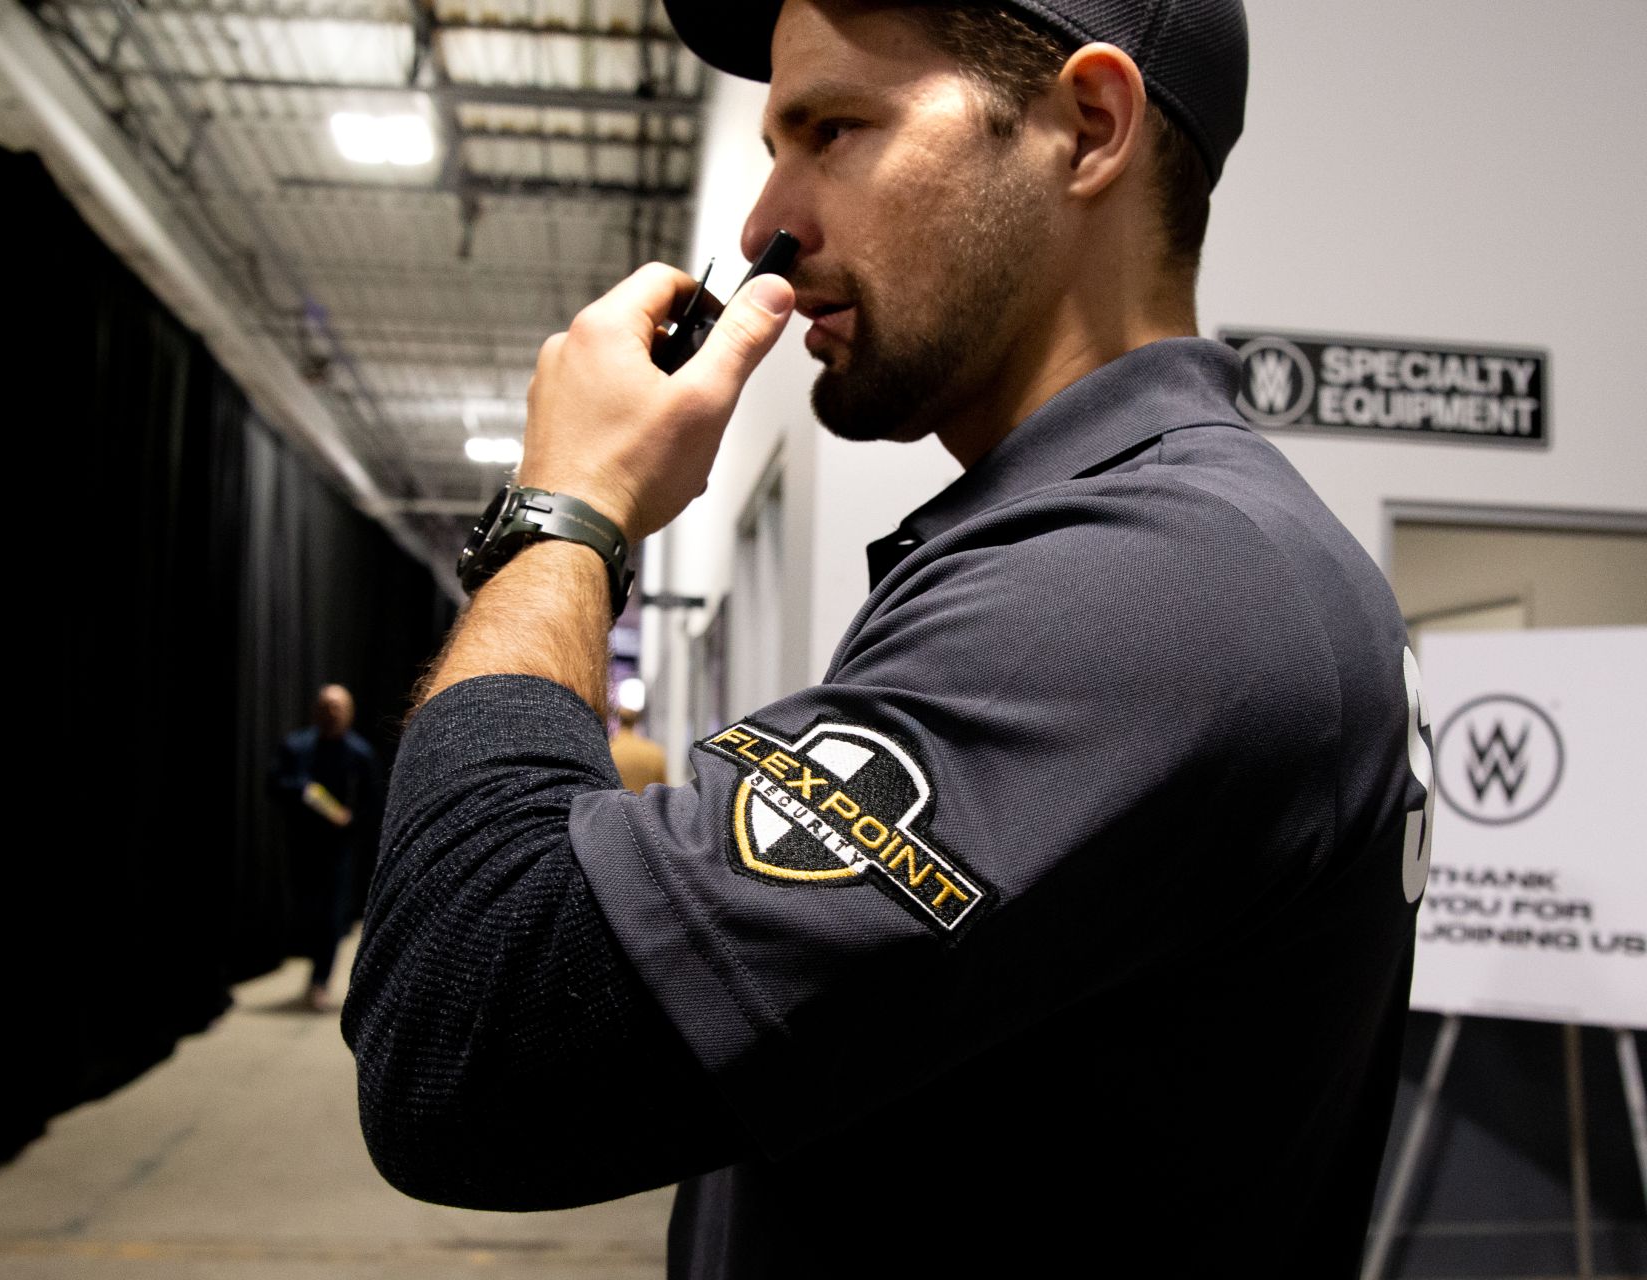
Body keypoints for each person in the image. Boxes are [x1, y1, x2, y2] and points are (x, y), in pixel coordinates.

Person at [343, 1, 1433, 1274]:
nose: (765, 225)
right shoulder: (1126, 549)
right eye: (772, 145)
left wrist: (561, 514)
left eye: (836, 128)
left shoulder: (1162, 585)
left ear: (1089, 127)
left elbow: (467, 1034)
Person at [272, 684, 382, 1012]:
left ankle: (320, 979)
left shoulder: (359, 753)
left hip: (338, 849)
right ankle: (311, 966)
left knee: (332, 915)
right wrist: (303, 791)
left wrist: (350, 818)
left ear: (349, 713)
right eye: (326, 707)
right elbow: (274, 783)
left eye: (338, 708)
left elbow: (374, 801)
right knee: (307, 909)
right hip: (302, 842)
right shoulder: (296, 746)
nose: (331, 713)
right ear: (314, 711)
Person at [609, 687, 668, 791]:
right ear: (637, 720)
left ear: (617, 718)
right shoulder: (654, 752)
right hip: (645, 807)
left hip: (614, 806)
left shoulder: (609, 750)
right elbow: (663, 793)